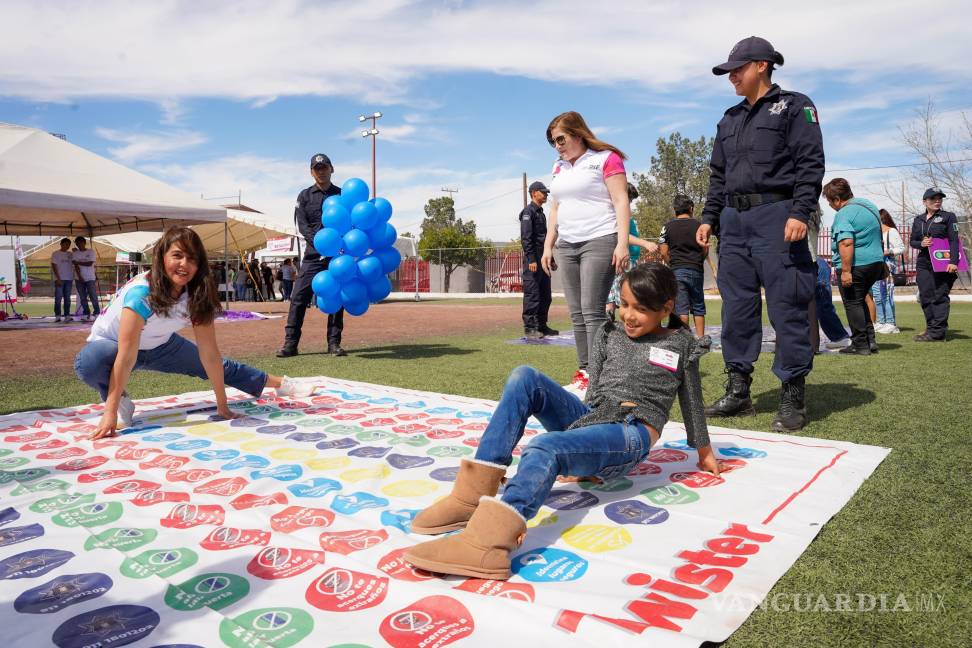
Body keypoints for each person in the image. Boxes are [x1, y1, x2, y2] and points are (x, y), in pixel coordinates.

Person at [404, 263, 719, 580]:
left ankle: (488, 544)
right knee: (524, 377)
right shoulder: (608, 334)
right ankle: (470, 498)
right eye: (624, 305)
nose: (628, 315)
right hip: (595, 422)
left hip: (630, 433)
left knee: (545, 447)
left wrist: (704, 453)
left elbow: (691, 400)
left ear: (665, 308)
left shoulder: (681, 344)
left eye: (640, 308)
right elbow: (594, 394)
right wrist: (580, 450)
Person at [74, 227, 312, 439]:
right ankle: (119, 402)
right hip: (114, 345)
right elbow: (126, 357)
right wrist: (109, 413)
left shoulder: (197, 294)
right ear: (161, 257)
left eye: (192, 258)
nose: (184, 264)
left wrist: (223, 407)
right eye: (177, 255)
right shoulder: (141, 294)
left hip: (162, 346)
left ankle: (281, 383)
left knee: (219, 365)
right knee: (89, 361)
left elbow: (209, 354)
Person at [698, 36, 824, 432]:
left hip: (778, 215)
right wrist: (708, 217)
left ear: (762, 66)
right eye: (728, 71)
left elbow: (810, 162)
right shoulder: (729, 118)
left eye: (738, 68)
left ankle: (792, 394)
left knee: (788, 304)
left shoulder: (795, 106)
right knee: (736, 308)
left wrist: (801, 210)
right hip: (733, 223)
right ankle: (739, 390)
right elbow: (718, 175)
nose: (731, 76)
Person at [541, 111, 632, 392]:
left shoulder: (606, 159)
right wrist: (548, 245)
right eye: (553, 142)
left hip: (600, 239)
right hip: (567, 244)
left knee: (593, 310)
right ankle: (585, 372)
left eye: (561, 139)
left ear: (578, 134)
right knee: (576, 313)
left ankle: (599, 374)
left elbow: (620, 201)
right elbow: (555, 208)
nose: (557, 146)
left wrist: (622, 242)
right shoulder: (559, 167)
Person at [278, 153, 346, 357]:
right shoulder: (304, 196)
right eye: (317, 169)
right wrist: (320, 241)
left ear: (332, 169)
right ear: (311, 172)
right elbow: (303, 225)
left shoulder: (342, 196)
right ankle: (291, 344)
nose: (322, 171)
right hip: (313, 256)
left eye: (325, 167)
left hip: (337, 257)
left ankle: (334, 343)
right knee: (298, 298)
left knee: (336, 299)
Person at [823, 178, 885, 355]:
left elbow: (846, 243)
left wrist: (846, 271)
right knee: (862, 301)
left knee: (852, 303)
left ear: (837, 199)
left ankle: (860, 344)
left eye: (829, 201)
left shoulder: (844, 213)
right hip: (875, 262)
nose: (830, 205)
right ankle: (870, 340)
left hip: (857, 264)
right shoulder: (869, 205)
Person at [660, 195, 711, 348]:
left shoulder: (666, 227)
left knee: (681, 307)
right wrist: (698, 260)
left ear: (675, 209)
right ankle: (701, 340)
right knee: (698, 306)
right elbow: (705, 248)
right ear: (691, 208)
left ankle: (684, 341)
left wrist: (672, 263)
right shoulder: (700, 225)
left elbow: (663, 252)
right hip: (696, 269)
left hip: (676, 270)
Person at [910, 187, 960, 342]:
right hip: (924, 262)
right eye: (933, 198)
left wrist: (953, 261)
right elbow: (912, 241)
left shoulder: (949, 217)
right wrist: (921, 243)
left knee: (939, 295)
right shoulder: (918, 219)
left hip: (943, 263)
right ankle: (931, 329)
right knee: (925, 296)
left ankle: (938, 332)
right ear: (925, 201)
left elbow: (954, 240)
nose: (937, 201)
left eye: (940, 198)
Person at [606, 182, 659, 318]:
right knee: (615, 296)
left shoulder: (627, 216)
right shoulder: (615, 214)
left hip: (630, 261)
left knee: (623, 295)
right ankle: (608, 320)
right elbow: (622, 234)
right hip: (622, 261)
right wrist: (645, 243)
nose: (629, 203)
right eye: (629, 199)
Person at [520, 181, 557, 339]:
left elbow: (545, 240)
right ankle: (530, 328)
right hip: (534, 261)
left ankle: (542, 325)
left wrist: (552, 259)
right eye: (543, 192)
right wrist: (531, 259)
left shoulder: (541, 213)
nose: (546, 194)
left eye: (547, 192)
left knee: (545, 295)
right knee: (532, 294)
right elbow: (526, 238)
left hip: (543, 260)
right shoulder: (528, 212)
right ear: (534, 193)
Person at [868, 209, 905, 334]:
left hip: (887, 267)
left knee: (887, 295)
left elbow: (901, 248)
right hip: (876, 266)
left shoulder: (891, 231)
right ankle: (881, 321)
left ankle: (891, 323)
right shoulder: (875, 233)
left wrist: (888, 251)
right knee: (878, 296)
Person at [71, 236, 100, 322]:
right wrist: (79, 276)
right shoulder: (75, 253)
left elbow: (90, 263)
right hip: (78, 279)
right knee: (82, 297)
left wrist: (78, 262)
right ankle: (86, 313)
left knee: (93, 296)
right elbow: (76, 266)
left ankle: (97, 313)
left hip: (90, 278)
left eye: (80, 243)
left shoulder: (91, 251)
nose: (79, 245)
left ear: (84, 243)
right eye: (77, 243)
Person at [50, 237, 75, 322]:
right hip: (59, 279)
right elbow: (54, 266)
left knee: (67, 298)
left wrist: (76, 252)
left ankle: (67, 315)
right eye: (65, 244)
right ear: (61, 244)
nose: (67, 246)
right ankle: (57, 316)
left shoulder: (71, 254)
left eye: (68, 244)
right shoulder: (55, 254)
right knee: (58, 298)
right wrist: (58, 278)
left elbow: (77, 260)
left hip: (69, 279)